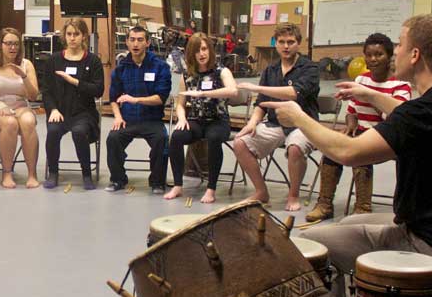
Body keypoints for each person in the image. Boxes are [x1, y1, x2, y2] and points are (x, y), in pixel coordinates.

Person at [263, 15, 432, 291]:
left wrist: (298, 118)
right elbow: (411, 115)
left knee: (308, 244)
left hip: (429, 246)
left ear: (415, 55)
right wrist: (368, 94)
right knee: (351, 220)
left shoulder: (425, 111)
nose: (397, 52)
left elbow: (347, 151)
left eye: (401, 44)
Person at [306, 33, 411, 221]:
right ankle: (324, 204)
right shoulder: (361, 80)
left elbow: (396, 118)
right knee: (332, 150)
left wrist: (370, 96)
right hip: (361, 132)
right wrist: (351, 123)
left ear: (389, 57)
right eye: (369, 55)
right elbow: (352, 110)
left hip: (388, 138)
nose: (373, 59)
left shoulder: (400, 84)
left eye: (379, 54)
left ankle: (362, 207)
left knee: (361, 154)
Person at [233, 23, 319, 211]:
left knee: (295, 148)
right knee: (239, 142)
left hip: (303, 124)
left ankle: (293, 194)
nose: (286, 46)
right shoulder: (270, 71)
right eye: (281, 42)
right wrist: (253, 122)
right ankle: (261, 192)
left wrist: (257, 88)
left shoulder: (310, 68)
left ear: (299, 44)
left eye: (291, 42)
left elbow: (294, 93)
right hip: (274, 124)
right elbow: (261, 103)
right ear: (276, 44)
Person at [164, 33, 237, 204]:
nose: (201, 54)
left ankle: (211, 188)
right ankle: (177, 185)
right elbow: (180, 104)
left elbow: (233, 91)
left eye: (204, 49)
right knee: (176, 137)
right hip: (197, 121)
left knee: (213, 138)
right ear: (191, 54)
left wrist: (204, 93)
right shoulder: (187, 75)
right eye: (197, 51)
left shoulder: (221, 71)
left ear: (210, 50)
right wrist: (181, 119)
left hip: (219, 121)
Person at [105, 26, 171, 193]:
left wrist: (136, 100)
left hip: (152, 120)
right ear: (127, 42)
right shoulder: (120, 69)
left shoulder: (160, 67)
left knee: (161, 139)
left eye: (140, 40)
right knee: (112, 139)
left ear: (147, 42)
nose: (136, 44)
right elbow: (113, 98)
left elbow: (160, 98)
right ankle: (118, 180)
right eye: (132, 39)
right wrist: (118, 117)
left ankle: (157, 182)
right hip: (127, 119)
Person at [42, 18, 104, 190]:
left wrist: (75, 82)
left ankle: (86, 174)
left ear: (84, 36)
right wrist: (53, 109)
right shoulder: (54, 60)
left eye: (76, 34)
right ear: (64, 36)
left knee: (79, 132)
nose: (72, 38)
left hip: (84, 113)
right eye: (69, 34)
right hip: (60, 111)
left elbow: (98, 90)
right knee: (53, 131)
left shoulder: (93, 61)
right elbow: (46, 91)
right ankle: (53, 172)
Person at [0, 27, 40, 189]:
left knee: (28, 121)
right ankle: (6, 173)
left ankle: (32, 174)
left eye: (16, 44)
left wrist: (23, 76)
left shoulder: (27, 65)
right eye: (9, 44)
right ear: (1, 45)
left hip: (20, 107)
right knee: (10, 123)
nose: (13, 48)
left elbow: (33, 96)